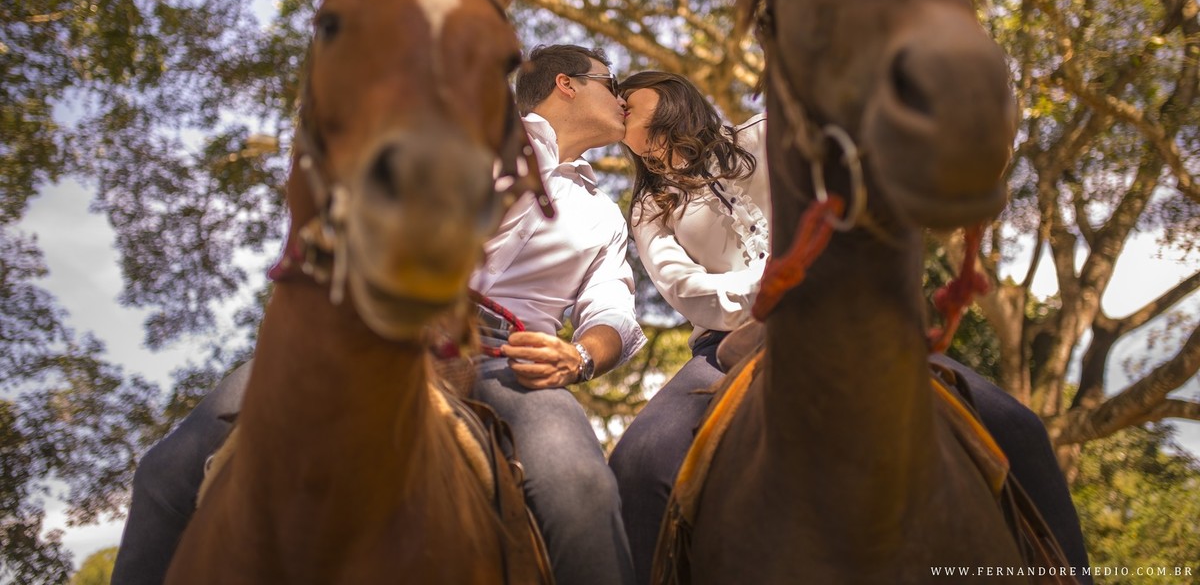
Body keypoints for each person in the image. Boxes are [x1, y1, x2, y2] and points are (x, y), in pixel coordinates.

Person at [111, 44, 645, 585]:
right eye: (612, 82)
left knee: (582, 488)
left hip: (510, 363)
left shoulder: (604, 215)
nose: (623, 98)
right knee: (164, 474)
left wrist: (577, 356)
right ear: (566, 83)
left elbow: (613, 311)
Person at [607, 72, 1092, 585]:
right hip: (724, 340)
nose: (619, 112)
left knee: (1019, 426)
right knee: (640, 460)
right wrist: (768, 286)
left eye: (626, 100)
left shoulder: (770, 134)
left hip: (835, 315)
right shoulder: (647, 208)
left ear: (668, 93)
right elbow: (682, 287)